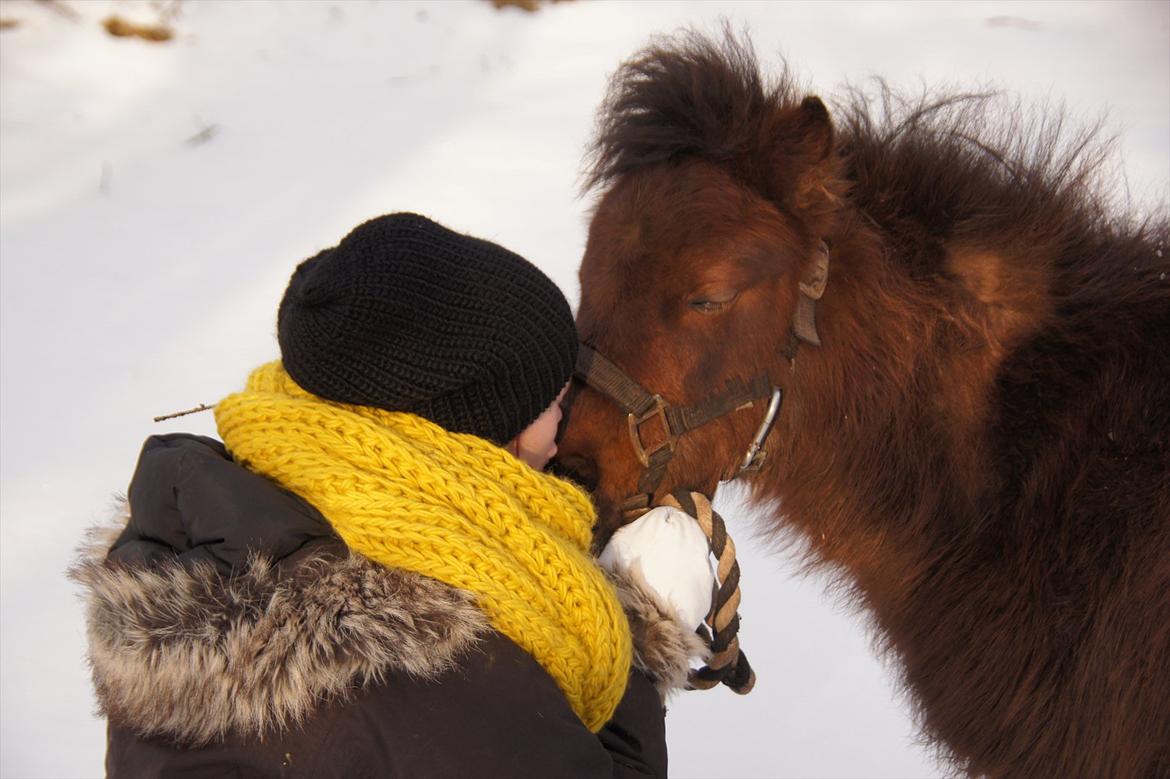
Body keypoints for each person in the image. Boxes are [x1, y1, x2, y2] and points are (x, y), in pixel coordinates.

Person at [71, 213, 714, 778]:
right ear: (473, 434)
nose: (564, 432)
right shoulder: (437, 668)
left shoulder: (212, 522)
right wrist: (644, 632)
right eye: (553, 403)